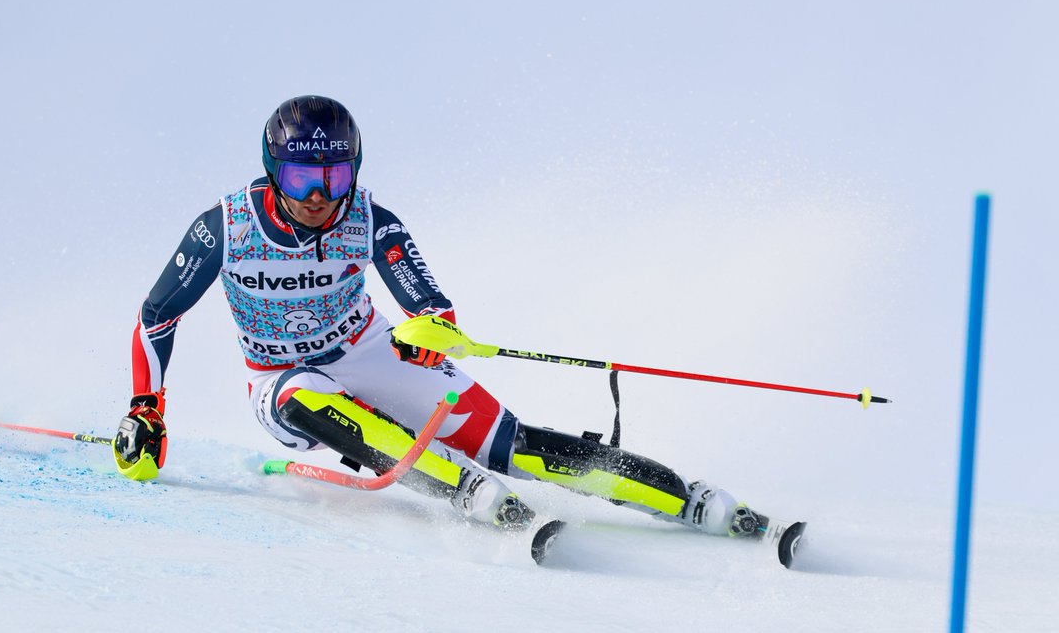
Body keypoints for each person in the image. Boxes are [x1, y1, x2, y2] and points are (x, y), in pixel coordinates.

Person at [113, 95, 767, 538]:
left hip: (369, 350)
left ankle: (690, 501)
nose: (317, 197)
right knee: (306, 397)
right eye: (300, 177)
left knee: (516, 446)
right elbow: (156, 315)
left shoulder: (371, 218)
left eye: (334, 180)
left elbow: (424, 295)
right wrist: (147, 407)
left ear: (354, 173)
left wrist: (430, 330)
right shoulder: (223, 227)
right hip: (279, 378)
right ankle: (467, 492)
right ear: (271, 170)